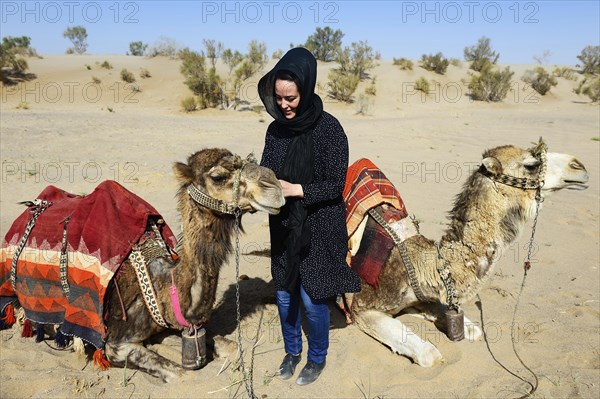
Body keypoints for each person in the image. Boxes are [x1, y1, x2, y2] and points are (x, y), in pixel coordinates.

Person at [258, 47, 361, 386]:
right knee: (285, 294)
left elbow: (335, 184)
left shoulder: (330, 130)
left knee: (312, 299)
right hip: (285, 226)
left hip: (320, 226)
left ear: (306, 89)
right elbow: (266, 174)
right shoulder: (276, 131)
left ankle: (316, 358)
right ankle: (292, 351)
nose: (284, 105)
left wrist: (296, 189)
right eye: (279, 98)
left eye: (291, 98)